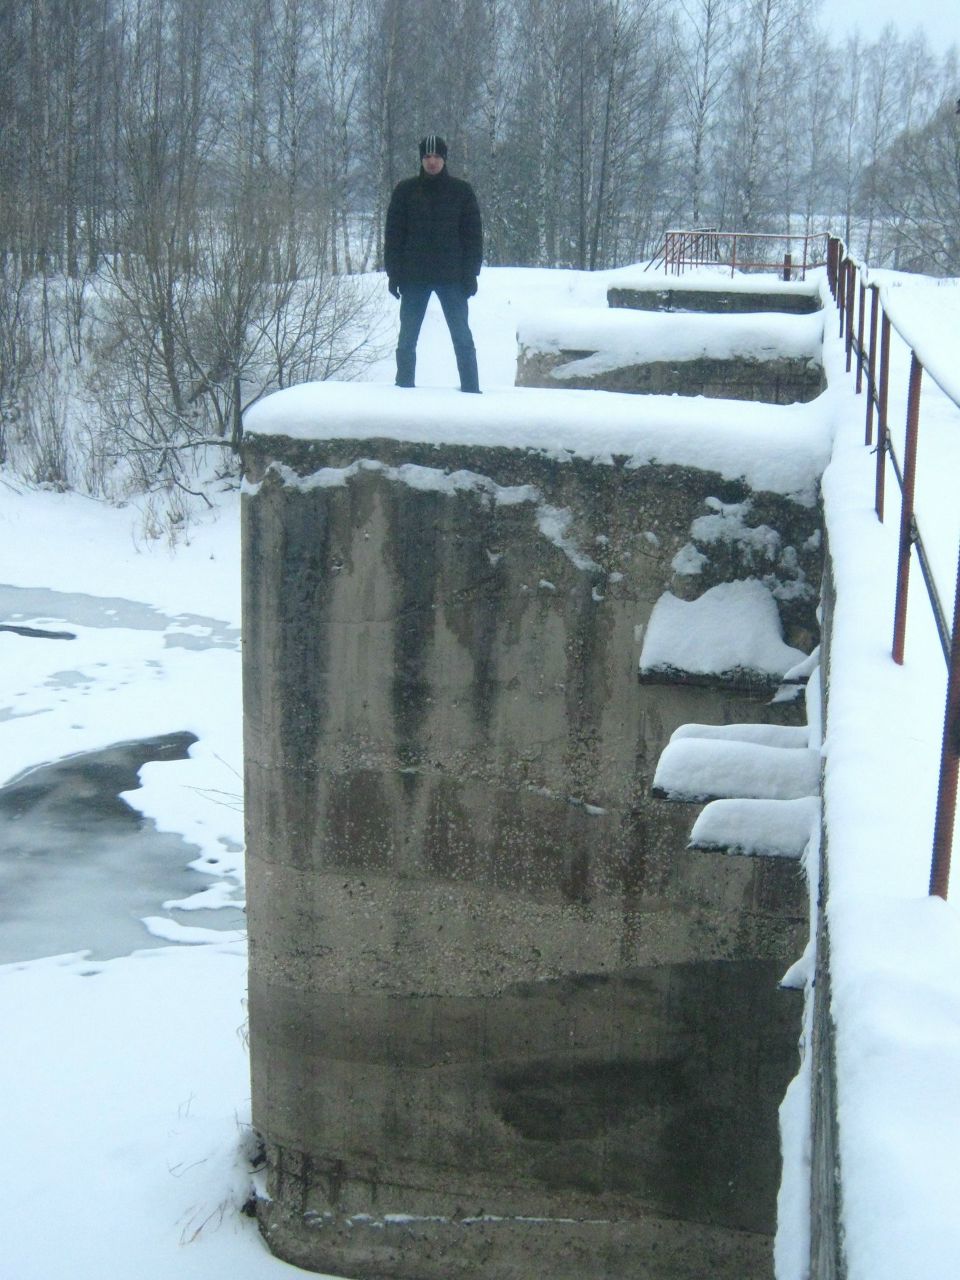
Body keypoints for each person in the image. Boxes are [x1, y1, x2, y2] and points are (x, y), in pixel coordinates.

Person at [384, 134, 483, 393]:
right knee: (407, 339)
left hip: (452, 277)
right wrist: (393, 274)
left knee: (462, 337)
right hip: (413, 277)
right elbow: (394, 234)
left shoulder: (461, 192)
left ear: (444, 159)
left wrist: (471, 274)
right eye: (427, 156)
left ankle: (472, 391)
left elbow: (473, 236)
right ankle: (403, 390)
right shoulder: (405, 191)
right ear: (421, 159)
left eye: (436, 156)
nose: (432, 162)